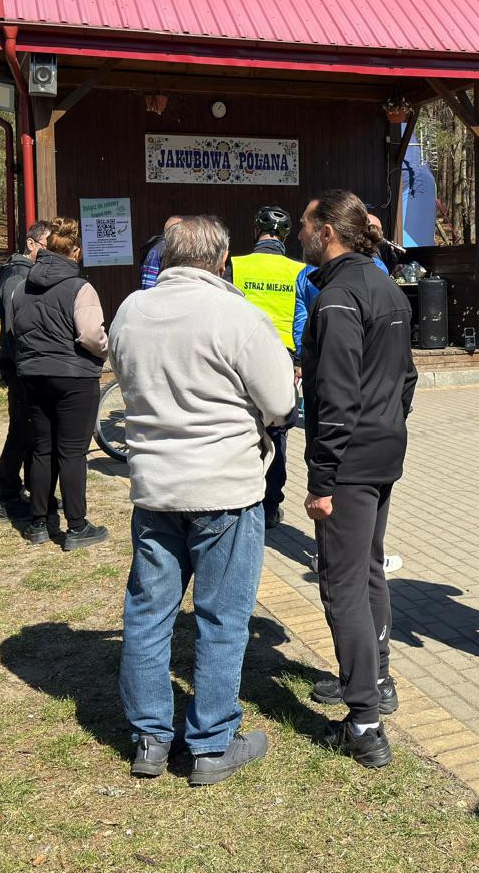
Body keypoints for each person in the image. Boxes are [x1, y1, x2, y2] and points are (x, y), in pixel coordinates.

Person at [109, 216, 297, 785]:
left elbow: (123, 378)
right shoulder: (237, 316)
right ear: (222, 261)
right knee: (222, 618)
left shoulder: (129, 312)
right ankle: (212, 743)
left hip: (156, 488)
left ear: (166, 257)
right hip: (224, 488)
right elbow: (280, 402)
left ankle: (149, 738)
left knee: (147, 614)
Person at [299, 190, 417, 768]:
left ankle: (365, 722)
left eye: (305, 226)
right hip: (382, 451)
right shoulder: (386, 287)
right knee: (368, 569)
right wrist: (387, 427)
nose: (299, 235)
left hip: (349, 462)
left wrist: (322, 477)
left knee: (342, 582)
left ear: (326, 232)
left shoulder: (339, 297)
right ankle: (376, 679)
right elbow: (407, 379)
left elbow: (336, 394)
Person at [11, 216, 110, 550]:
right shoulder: (81, 288)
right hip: (74, 377)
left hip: (33, 375)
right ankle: (77, 527)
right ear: (76, 252)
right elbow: (90, 334)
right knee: (71, 452)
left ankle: (38, 523)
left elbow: (17, 329)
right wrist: (105, 350)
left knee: (42, 448)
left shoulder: (22, 286)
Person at [230, 206, 307, 528]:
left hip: (238, 357)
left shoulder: (235, 265)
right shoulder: (300, 270)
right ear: (286, 235)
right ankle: (271, 504)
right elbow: (306, 317)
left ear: (255, 230)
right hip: (282, 360)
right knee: (277, 431)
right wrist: (301, 361)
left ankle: (239, 497)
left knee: (238, 426)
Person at [0, 219, 51, 522]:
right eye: (46, 246)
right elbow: (17, 324)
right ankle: (6, 495)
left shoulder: (32, 273)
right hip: (20, 363)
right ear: (31, 244)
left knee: (34, 430)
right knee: (21, 429)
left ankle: (35, 491)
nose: (50, 253)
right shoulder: (17, 276)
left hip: (31, 362)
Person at [138, 215, 183, 290]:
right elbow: (148, 286)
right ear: (174, 231)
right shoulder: (160, 250)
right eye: (183, 230)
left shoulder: (160, 247)